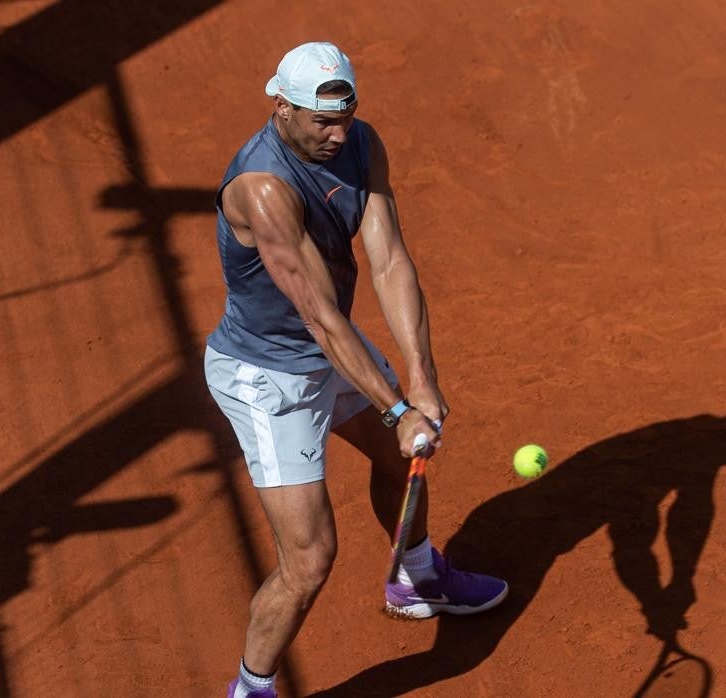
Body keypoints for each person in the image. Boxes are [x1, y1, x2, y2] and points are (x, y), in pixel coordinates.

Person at [204, 41, 508, 698]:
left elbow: (390, 260)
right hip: (268, 379)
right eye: (322, 122)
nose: (337, 134)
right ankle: (251, 689)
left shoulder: (359, 144)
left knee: (405, 461)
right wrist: (396, 409)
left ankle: (416, 576)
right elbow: (319, 315)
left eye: (346, 117)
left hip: (329, 351)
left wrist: (420, 379)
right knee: (309, 562)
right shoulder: (262, 190)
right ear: (280, 107)